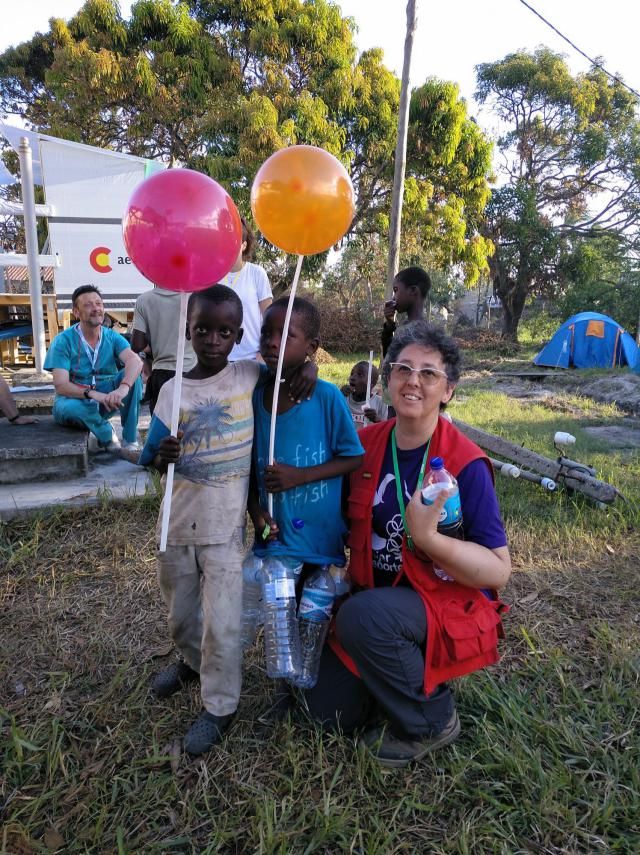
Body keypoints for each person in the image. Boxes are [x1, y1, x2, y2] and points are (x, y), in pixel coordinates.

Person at [303, 321, 511, 769]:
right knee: (324, 714)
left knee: (364, 618)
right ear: (389, 379)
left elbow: (497, 571)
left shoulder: (465, 464)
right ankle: (393, 676)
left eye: (429, 373)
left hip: (441, 604)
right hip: (376, 601)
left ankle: (433, 718)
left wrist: (429, 538)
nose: (413, 380)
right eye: (403, 369)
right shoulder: (361, 448)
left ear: (448, 390)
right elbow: (329, 521)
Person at [139, 285, 317, 755]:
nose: (213, 339)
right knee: (182, 618)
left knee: (223, 624)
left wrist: (311, 367)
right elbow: (147, 456)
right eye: (203, 330)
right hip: (176, 527)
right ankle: (192, 662)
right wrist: (163, 454)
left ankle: (220, 705)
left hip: (223, 531)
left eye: (224, 331)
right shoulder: (172, 388)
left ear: (238, 334)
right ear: (188, 331)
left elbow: (289, 367)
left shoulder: (248, 377)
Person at [249, 296, 364, 568]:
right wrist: (256, 512)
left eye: (286, 335)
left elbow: (354, 458)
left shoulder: (327, 396)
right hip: (274, 544)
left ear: (311, 347)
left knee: (316, 610)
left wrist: (300, 476)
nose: (272, 342)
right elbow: (250, 468)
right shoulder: (255, 394)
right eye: (266, 333)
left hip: (321, 545)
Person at [44, 285, 143, 452]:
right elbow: (61, 385)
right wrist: (92, 393)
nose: (96, 308)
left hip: (107, 398)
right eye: (88, 305)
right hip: (74, 400)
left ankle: (130, 441)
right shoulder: (63, 340)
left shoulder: (112, 336)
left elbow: (135, 361)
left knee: (135, 378)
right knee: (71, 407)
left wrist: (122, 389)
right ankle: (107, 434)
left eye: (99, 303)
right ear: (76, 312)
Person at [131, 286, 197, 414]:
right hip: (192, 373)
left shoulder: (144, 300)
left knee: (161, 428)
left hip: (160, 374)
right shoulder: (196, 297)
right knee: (192, 428)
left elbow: (137, 344)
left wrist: (153, 349)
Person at [222, 217, 272, 361]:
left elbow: (270, 319)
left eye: (234, 241)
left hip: (251, 360)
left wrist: (263, 355)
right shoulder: (212, 274)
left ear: (244, 245)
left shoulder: (256, 273)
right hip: (217, 362)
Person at [381, 266, 431, 357]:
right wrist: (389, 324)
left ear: (413, 290)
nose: (393, 298)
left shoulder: (421, 334)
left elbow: (392, 361)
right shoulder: (406, 327)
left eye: (396, 290)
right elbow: (390, 359)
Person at [343, 360, 388, 431]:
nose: (352, 378)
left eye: (360, 375)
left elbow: (386, 430)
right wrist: (339, 396)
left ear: (372, 384)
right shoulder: (344, 398)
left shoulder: (380, 403)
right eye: (352, 374)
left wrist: (377, 420)